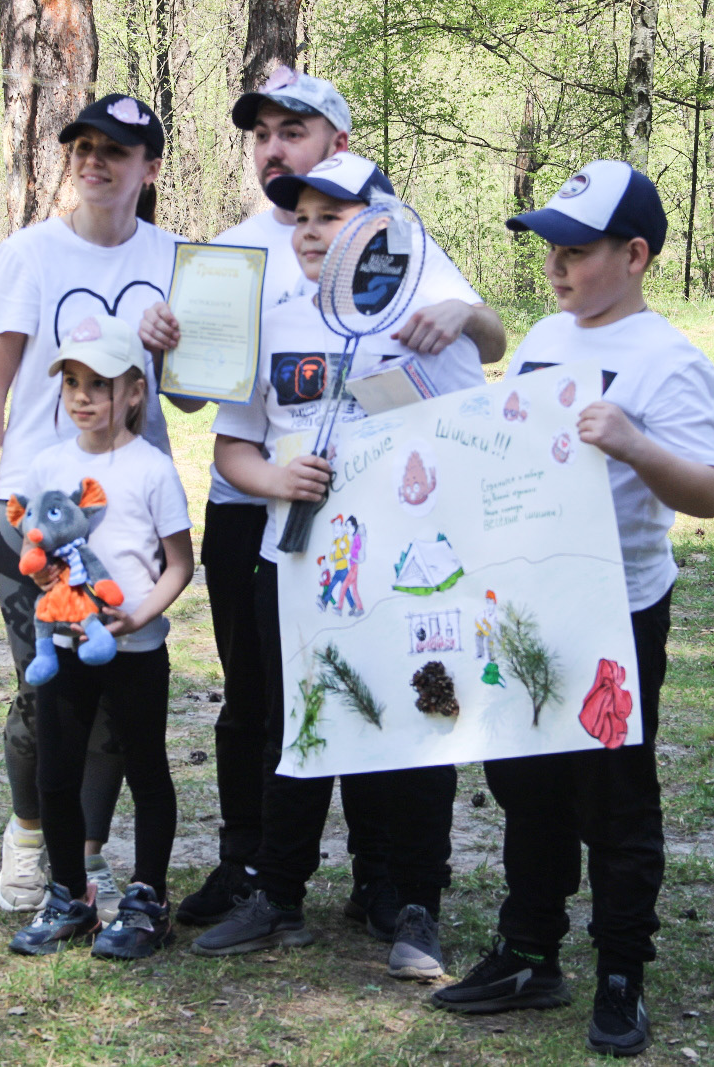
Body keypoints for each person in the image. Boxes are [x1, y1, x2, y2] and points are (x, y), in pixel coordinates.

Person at [140, 65, 509, 938]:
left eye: (294, 132)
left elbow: (480, 347)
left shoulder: (392, 245)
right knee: (263, 699)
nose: (275, 149)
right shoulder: (228, 255)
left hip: (392, 527)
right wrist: (167, 355)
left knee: (395, 691)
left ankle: (390, 880)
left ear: (338, 146)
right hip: (263, 517)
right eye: (262, 135)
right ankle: (256, 869)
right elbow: (210, 405)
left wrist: (462, 318)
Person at [428, 160, 714, 1058]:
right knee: (526, 779)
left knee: (614, 794)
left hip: (618, 609)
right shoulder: (545, 341)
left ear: (636, 254)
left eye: (579, 250)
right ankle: (528, 948)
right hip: (531, 600)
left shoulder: (668, 358)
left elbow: (708, 491)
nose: (558, 267)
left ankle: (621, 970)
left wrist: (633, 443)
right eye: (551, 248)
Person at [193, 151, 484, 980]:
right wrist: (273, 479)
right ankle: (278, 895)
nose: (312, 231)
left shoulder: (420, 315)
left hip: (408, 564)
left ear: (378, 226)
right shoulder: (277, 319)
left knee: (419, 718)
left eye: (333, 216)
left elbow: (470, 431)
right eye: (303, 217)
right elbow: (234, 443)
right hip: (296, 559)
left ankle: (416, 903)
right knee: (298, 720)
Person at [0, 93, 187, 922]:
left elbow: (190, 400)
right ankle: (29, 835)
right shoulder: (27, 256)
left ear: (148, 168)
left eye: (115, 151)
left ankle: (80, 860)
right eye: (82, 146)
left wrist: (176, 347)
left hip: (130, 508)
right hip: (35, 510)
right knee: (46, 699)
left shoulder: (176, 259)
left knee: (120, 702)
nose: (94, 161)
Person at [5, 314, 194, 959]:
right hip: (64, 646)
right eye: (72, 383)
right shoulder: (47, 465)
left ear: (134, 392)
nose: (83, 396)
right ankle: (69, 896)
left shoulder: (152, 470)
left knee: (146, 771)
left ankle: (147, 902)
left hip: (135, 649)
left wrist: (140, 616)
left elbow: (179, 564)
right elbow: (39, 549)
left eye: (99, 384)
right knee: (58, 774)